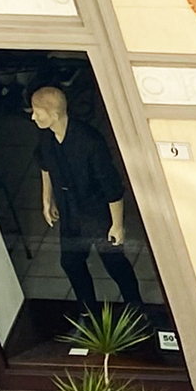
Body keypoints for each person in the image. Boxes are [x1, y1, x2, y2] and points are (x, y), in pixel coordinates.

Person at [31, 84, 142, 333]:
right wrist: (46, 200)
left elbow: (112, 186)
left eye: (38, 112)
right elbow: (45, 166)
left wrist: (117, 224)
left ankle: (136, 310)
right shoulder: (47, 137)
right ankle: (87, 313)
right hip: (70, 212)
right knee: (70, 262)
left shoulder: (90, 142)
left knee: (114, 263)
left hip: (96, 213)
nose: (33, 117)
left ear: (55, 114)